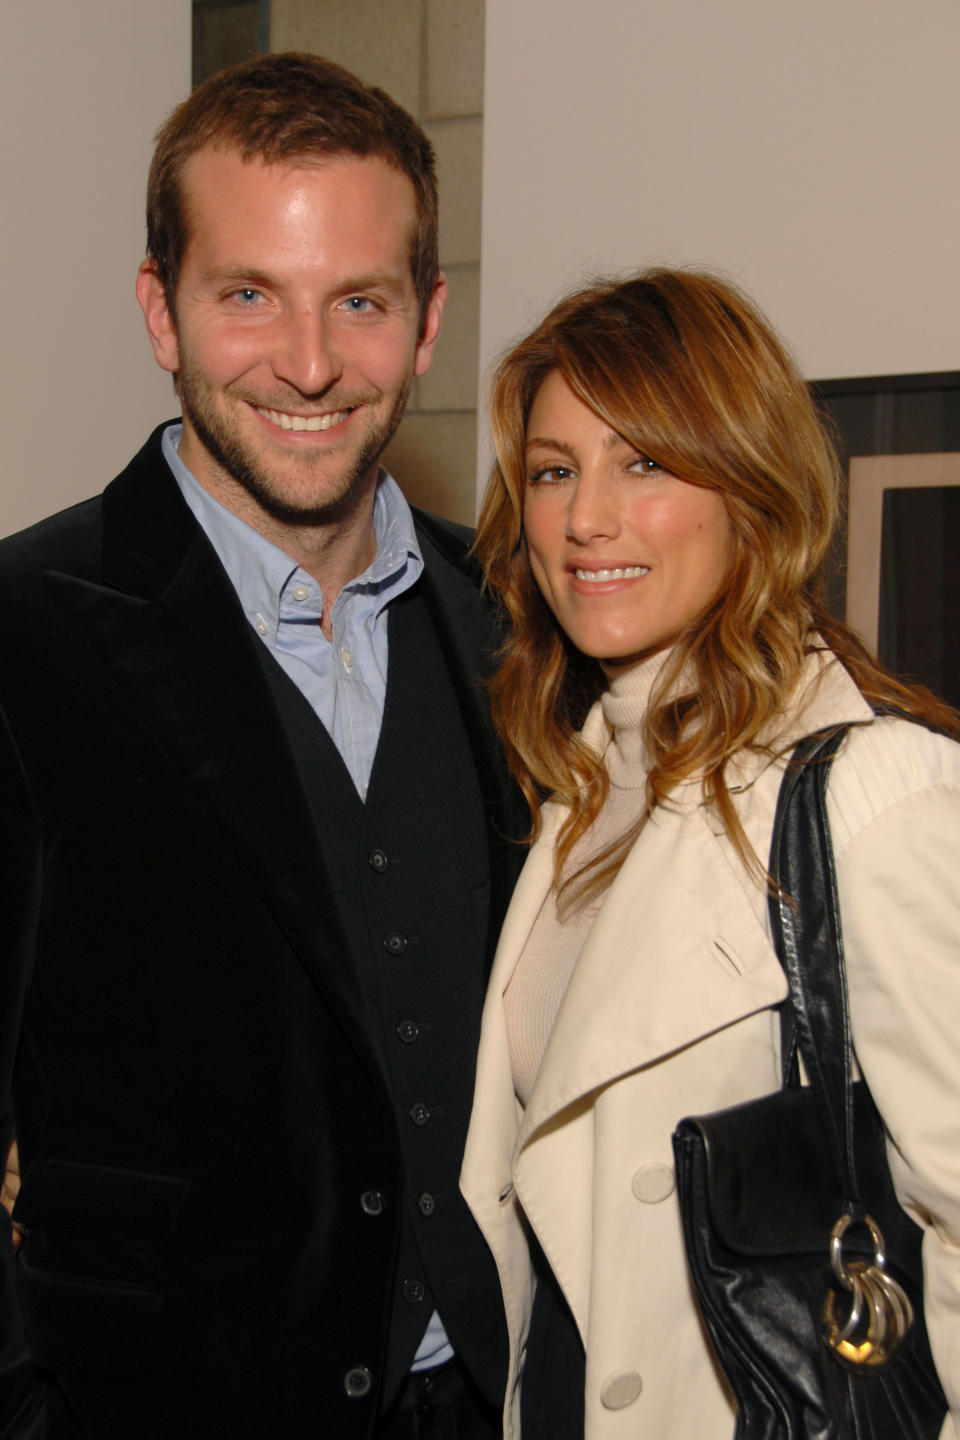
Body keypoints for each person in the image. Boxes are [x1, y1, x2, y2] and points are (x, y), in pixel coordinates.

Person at [0, 52, 524, 1440]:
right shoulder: (19, 637)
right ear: (160, 312)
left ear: (426, 324)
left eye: (360, 300)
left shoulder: (524, 632)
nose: (308, 363)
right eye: (250, 296)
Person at [459, 269, 960, 1438]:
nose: (587, 518)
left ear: (752, 486)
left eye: (646, 463)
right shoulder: (583, 790)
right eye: (552, 470)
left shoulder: (869, 792)